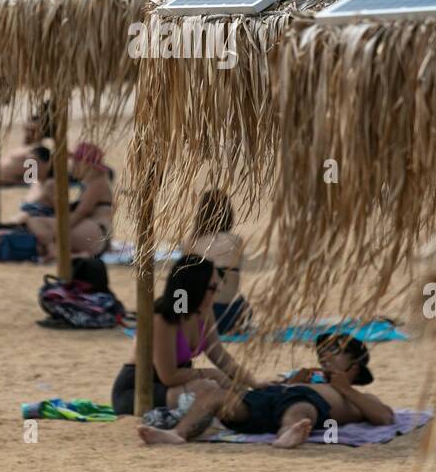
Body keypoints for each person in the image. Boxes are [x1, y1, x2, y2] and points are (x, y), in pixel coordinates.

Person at [137, 333, 391, 448]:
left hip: (305, 403)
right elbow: (275, 389)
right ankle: (178, 434)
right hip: (271, 399)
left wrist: (345, 390)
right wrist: (293, 380)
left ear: (355, 368)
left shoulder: (360, 397)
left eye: (335, 351)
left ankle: (286, 434)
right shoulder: (310, 379)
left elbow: (384, 417)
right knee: (214, 395)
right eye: (322, 352)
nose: (324, 356)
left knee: (301, 408)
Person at [111, 255, 262, 416]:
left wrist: (255, 383)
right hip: (139, 390)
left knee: (231, 392)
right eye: (212, 288)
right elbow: (168, 376)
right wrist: (214, 375)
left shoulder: (202, 311)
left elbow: (221, 357)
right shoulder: (163, 319)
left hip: (175, 385)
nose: (216, 294)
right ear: (195, 287)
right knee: (209, 389)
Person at [24, 142, 116, 261]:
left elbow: (80, 213)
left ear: (85, 163)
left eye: (76, 162)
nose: (73, 165)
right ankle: (61, 251)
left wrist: (57, 231)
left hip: (96, 233)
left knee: (35, 223)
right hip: (96, 233)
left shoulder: (97, 184)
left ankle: (56, 252)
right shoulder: (94, 182)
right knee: (39, 237)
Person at [183, 190, 248, 333]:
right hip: (230, 316)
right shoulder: (237, 241)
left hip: (201, 316)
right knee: (244, 303)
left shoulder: (191, 243)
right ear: (228, 214)